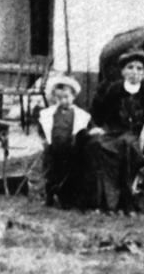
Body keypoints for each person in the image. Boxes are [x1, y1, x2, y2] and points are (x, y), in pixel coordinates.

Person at [78, 49, 144, 213]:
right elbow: (97, 112)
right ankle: (96, 201)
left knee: (126, 145)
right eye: (130, 67)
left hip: (135, 135)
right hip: (113, 131)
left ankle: (121, 201)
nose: (134, 72)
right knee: (94, 144)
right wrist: (96, 127)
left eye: (139, 69)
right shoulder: (114, 89)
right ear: (123, 71)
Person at [37, 75, 91, 208]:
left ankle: (67, 197)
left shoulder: (81, 115)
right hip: (54, 148)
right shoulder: (48, 114)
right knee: (52, 171)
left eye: (66, 97)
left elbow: (86, 131)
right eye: (59, 98)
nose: (63, 101)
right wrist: (44, 140)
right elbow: (42, 129)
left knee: (69, 172)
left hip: (71, 149)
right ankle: (49, 195)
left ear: (73, 96)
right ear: (54, 98)